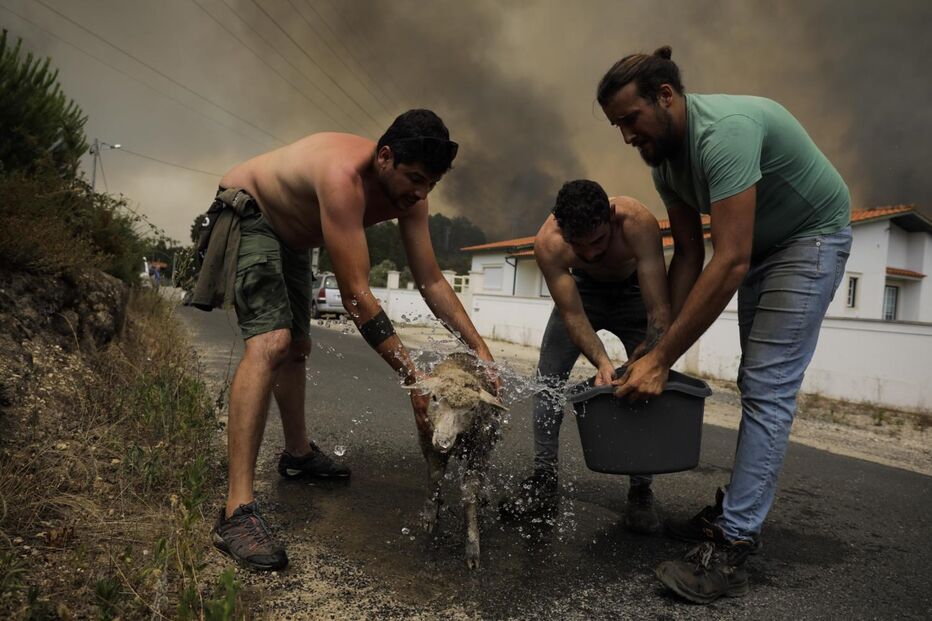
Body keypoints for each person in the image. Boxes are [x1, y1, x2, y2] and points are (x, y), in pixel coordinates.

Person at [597, 47, 852, 603]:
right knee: (752, 378)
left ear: (666, 96)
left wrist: (662, 363)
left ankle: (733, 543)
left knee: (767, 385)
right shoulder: (665, 162)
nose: (625, 136)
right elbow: (688, 254)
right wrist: (653, 343)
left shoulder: (724, 134)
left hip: (809, 240)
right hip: (762, 249)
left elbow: (728, 259)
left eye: (630, 120)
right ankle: (739, 506)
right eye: (616, 126)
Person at [191, 110, 497, 571]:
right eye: (414, 178)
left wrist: (481, 351)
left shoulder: (414, 196)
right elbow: (356, 297)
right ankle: (236, 513)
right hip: (251, 210)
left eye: (430, 185)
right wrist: (414, 380)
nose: (419, 192)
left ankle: (297, 455)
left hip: (293, 235)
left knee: (298, 347)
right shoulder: (341, 178)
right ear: (386, 157)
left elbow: (432, 281)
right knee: (272, 343)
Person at [498, 179, 672, 534]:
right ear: (562, 230)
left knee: (647, 386)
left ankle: (641, 493)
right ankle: (543, 482)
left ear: (610, 216)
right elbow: (574, 316)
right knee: (547, 384)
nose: (591, 254)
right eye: (581, 246)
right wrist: (603, 363)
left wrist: (645, 359)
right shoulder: (548, 244)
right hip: (583, 293)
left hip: (633, 292)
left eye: (599, 242)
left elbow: (659, 311)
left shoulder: (638, 222)